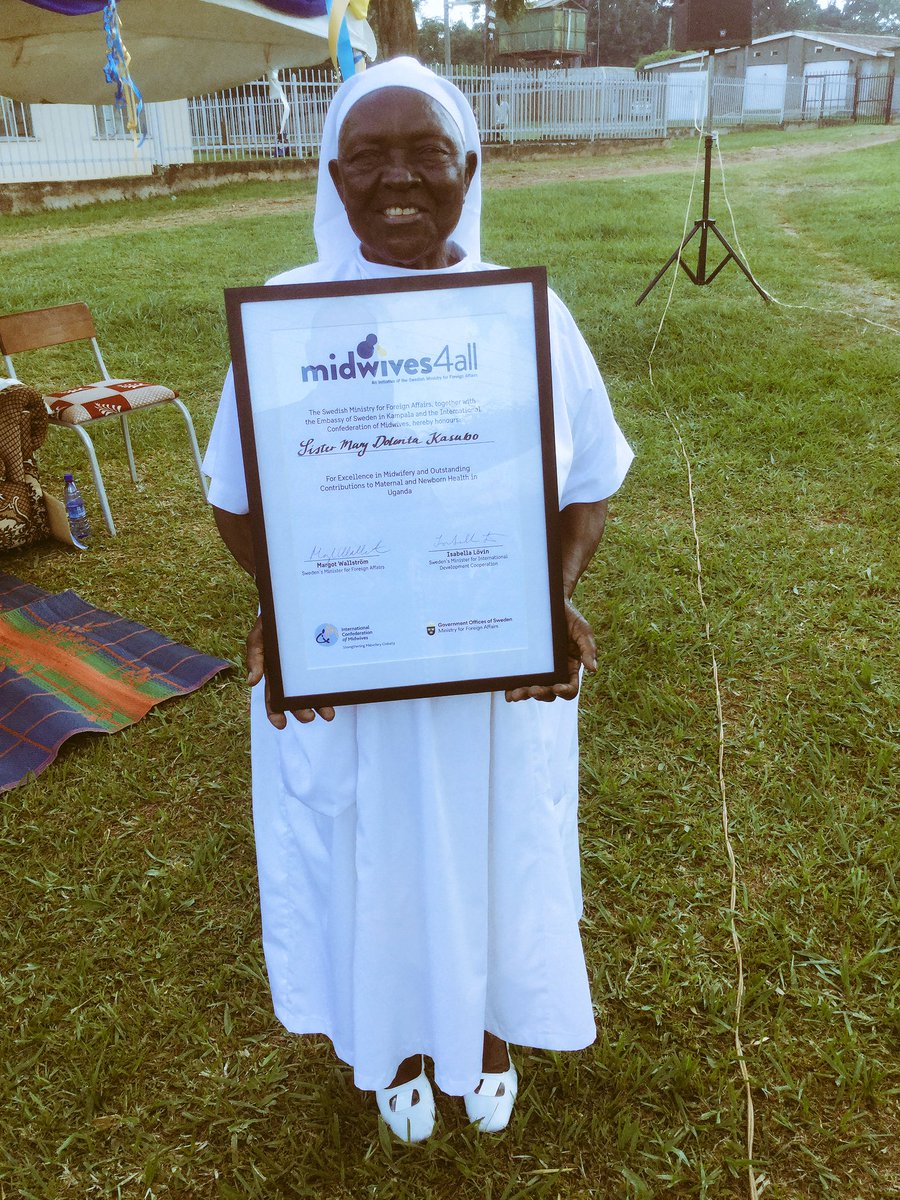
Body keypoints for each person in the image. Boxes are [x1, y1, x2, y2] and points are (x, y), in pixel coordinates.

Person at [203, 57, 633, 1143]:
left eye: (426, 154)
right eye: (370, 158)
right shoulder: (289, 320)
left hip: (487, 655)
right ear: (332, 177)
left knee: (490, 842)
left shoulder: (523, 316)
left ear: (469, 168)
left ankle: (482, 1032)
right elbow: (237, 497)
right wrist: (284, 606)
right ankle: (388, 1038)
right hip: (347, 656)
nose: (399, 179)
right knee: (363, 846)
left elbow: (590, 480)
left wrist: (548, 598)